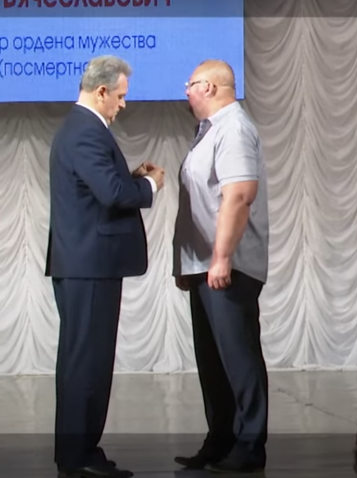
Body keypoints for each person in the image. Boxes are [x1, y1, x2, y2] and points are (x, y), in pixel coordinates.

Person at [45, 55, 164, 478]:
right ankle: (79, 457)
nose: (123, 104)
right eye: (120, 96)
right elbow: (111, 194)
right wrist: (148, 185)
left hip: (84, 262)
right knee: (88, 364)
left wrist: (129, 177)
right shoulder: (86, 131)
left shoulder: (80, 129)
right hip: (90, 264)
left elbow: (94, 188)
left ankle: (77, 454)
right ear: (101, 91)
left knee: (83, 361)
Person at [172, 59, 270, 474]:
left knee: (238, 358)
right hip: (204, 266)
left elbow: (239, 195)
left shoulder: (234, 129)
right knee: (213, 363)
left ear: (210, 87)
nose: (185, 90)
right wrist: (188, 264)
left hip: (227, 266)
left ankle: (249, 445)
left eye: (191, 83)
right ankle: (221, 440)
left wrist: (222, 257)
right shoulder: (209, 132)